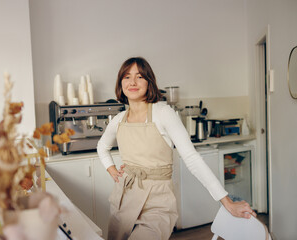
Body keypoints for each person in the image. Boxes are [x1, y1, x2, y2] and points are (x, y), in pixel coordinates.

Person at [97, 57, 256, 240]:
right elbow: (102, 146)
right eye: (126, 77)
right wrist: (112, 170)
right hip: (124, 198)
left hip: (157, 202)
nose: (132, 82)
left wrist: (226, 201)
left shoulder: (163, 113)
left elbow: (192, 158)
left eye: (139, 76)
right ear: (120, 83)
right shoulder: (118, 120)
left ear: (149, 82)